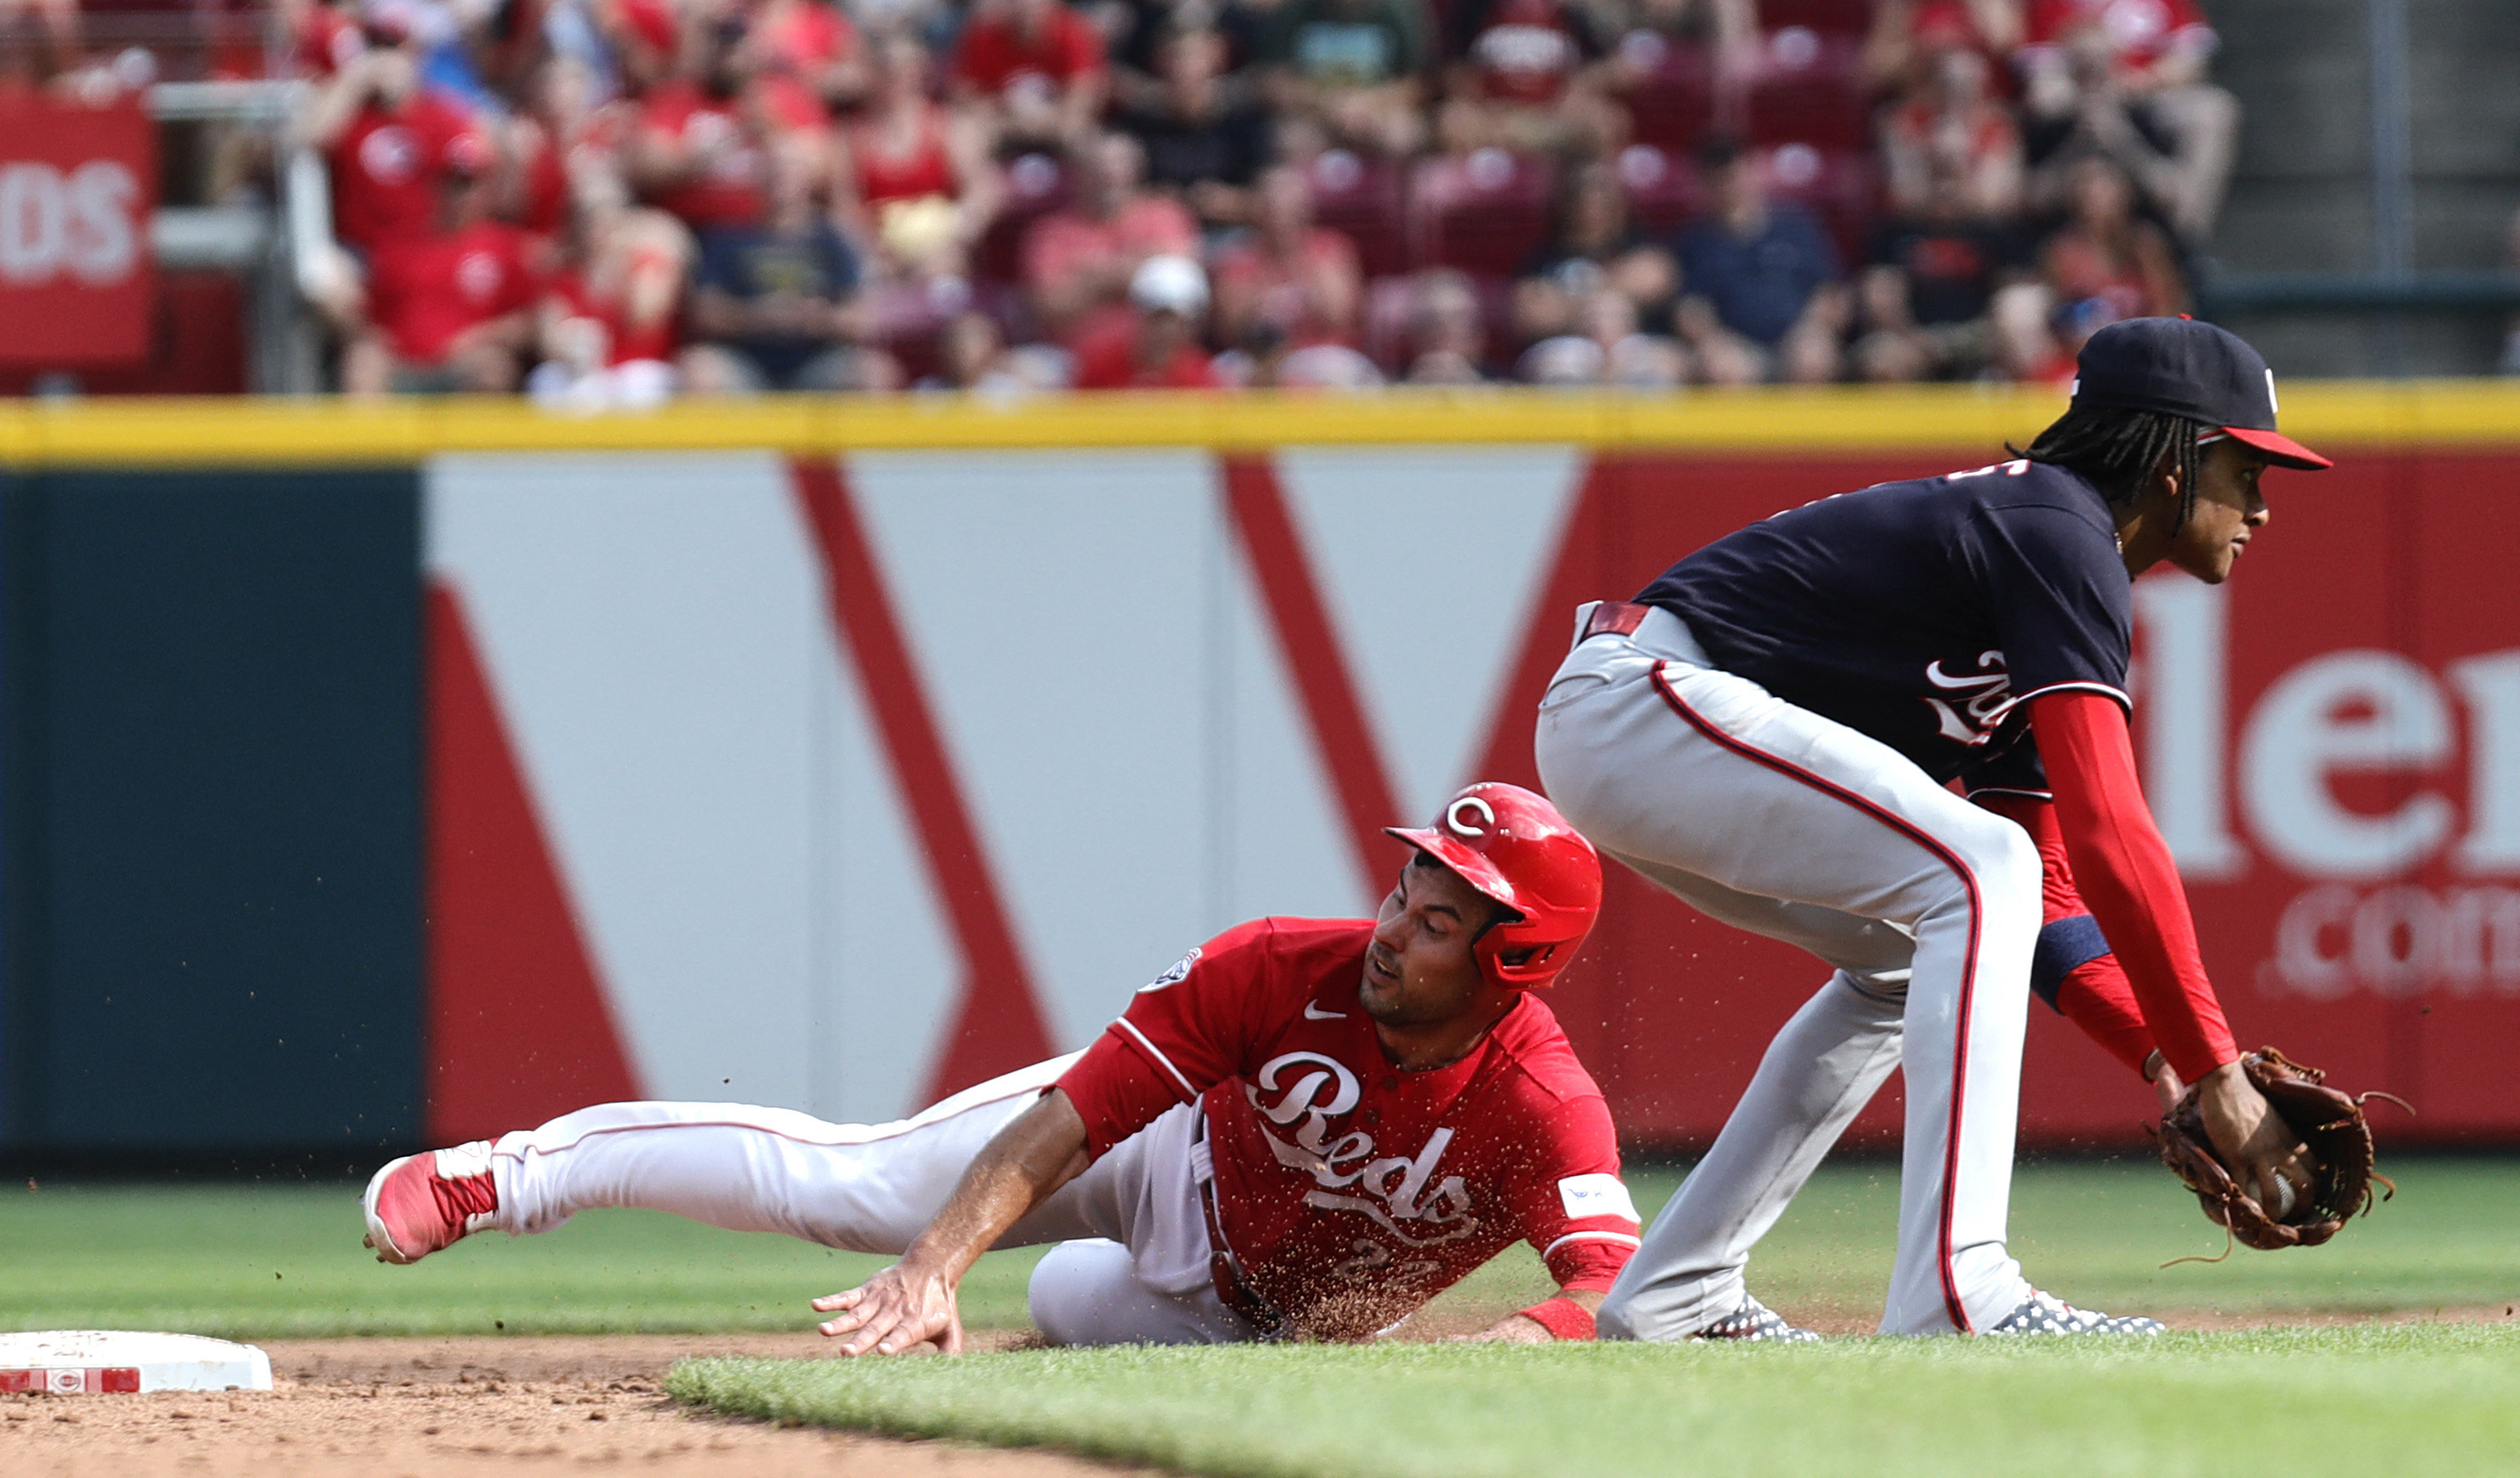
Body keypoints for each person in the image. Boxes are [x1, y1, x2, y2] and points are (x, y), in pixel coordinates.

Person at [1531, 317, 2333, 1339]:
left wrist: (2164, 1061)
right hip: (1643, 698)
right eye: (2247, 466)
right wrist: (2218, 1069)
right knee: (1971, 865)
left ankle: (1678, 1291)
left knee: (1920, 947)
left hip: (1644, 731)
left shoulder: (2057, 568)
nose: (2262, 504)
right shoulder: (2058, 528)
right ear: (2174, 458)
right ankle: (1959, 1288)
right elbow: (2113, 832)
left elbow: (2042, 894)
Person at [363, 785, 1668, 1350]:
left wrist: (1470, 1356)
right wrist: (934, 1262)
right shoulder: (1279, 964)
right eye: (1407, 887)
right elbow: (1078, 1116)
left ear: (1512, 962)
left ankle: (1053, 1296)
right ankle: (505, 1177)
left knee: (1068, 1309)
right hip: (1170, 1154)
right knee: (860, 1193)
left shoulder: (1543, 1106)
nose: (1394, 926)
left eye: (1442, 918)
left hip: (1245, 1320)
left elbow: (1608, 1299)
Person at [1669, 137, 1848, 385]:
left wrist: (1812, 330)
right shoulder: (1695, 240)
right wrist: (1714, 341)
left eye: (1732, 173)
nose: (1727, 184)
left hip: (1798, 339)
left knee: (1813, 359)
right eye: (1717, 176)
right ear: (1704, 182)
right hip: (1736, 348)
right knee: (1722, 367)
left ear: (1753, 170)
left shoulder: (1796, 226)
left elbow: (1830, 292)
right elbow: (1690, 309)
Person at [1072, 255, 1223, 389]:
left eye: (1176, 322)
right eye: (1157, 318)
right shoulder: (1098, 365)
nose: (1165, 330)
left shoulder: (1202, 380)